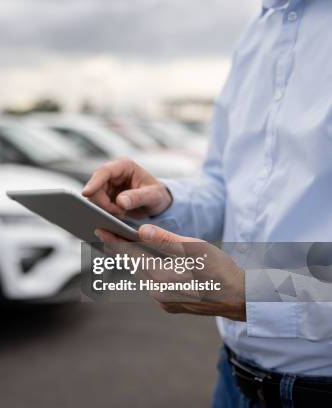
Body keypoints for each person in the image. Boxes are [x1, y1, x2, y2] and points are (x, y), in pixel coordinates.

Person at [82, 1, 332, 407]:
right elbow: (224, 183)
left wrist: (250, 294)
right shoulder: (259, 33)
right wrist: (165, 201)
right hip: (233, 379)